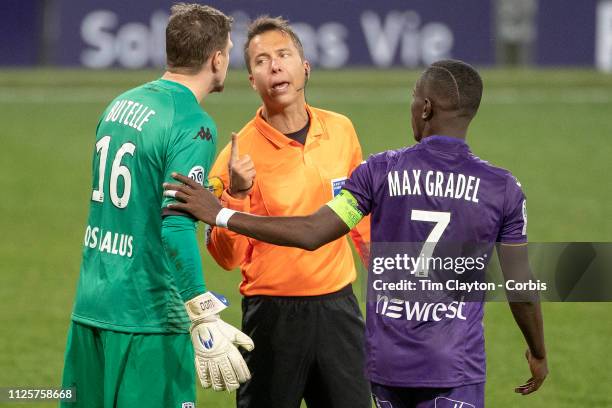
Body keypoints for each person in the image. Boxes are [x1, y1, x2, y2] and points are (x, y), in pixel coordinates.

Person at [164, 59, 549, 408]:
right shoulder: (503, 189)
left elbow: (314, 231)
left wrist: (223, 214)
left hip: (389, 368)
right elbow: (520, 286)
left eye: (415, 99)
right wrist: (538, 352)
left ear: (427, 108)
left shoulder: (379, 173)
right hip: (455, 366)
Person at [60, 4, 254, 407]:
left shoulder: (118, 105)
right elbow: (177, 224)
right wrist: (202, 313)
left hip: (91, 307)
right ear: (216, 58)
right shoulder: (191, 123)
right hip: (147, 318)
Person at [204, 16, 371, 408]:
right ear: (252, 81)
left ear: (305, 66)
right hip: (272, 319)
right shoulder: (235, 156)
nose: (275, 66)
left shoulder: (341, 130)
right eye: (261, 61)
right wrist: (239, 194)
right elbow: (225, 258)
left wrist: (389, 285)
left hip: (339, 310)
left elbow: (361, 218)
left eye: (284, 55)